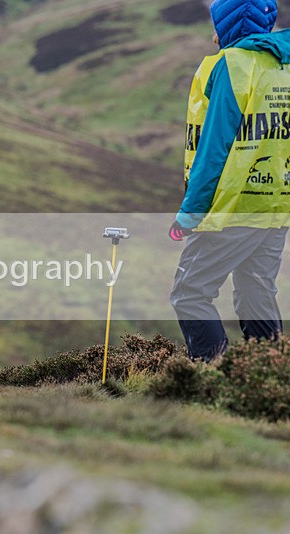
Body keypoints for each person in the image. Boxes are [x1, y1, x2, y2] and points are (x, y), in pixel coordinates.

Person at [170, 0, 290, 361]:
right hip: (276, 205)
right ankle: (270, 375)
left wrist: (190, 212)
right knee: (256, 292)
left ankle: (210, 377)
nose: (213, 32)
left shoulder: (230, 66)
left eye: (216, 24)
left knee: (190, 292)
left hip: (233, 207)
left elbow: (214, 149)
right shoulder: (283, 67)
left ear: (229, 25)